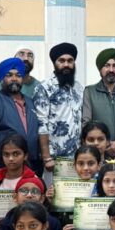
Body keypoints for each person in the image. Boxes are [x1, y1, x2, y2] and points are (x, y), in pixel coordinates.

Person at [0, 58, 41, 181]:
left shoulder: (30, 102)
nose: (14, 78)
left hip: (31, 168)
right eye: (9, 75)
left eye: (18, 75)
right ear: (2, 79)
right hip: (4, 169)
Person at [35, 43, 84, 171]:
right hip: (53, 159)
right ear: (54, 63)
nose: (66, 64)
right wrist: (46, 157)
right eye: (61, 61)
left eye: (70, 61)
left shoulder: (78, 87)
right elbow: (41, 124)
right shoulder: (44, 87)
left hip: (77, 157)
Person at [0, 176, 64, 230]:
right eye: (24, 191)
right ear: (15, 197)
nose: (29, 195)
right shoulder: (5, 224)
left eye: (35, 191)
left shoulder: (53, 223)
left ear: (42, 198)